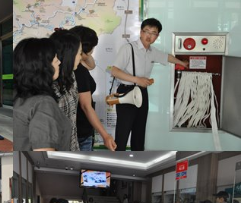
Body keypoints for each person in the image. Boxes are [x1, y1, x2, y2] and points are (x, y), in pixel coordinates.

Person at [111, 18, 189, 151]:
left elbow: (167, 57)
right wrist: (137, 79)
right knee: (122, 134)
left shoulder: (152, 51)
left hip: (142, 92)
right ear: (141, 32)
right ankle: (117, 160)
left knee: (139, 133)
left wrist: (182, 63)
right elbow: (114, 71)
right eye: (146, 31)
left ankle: (136, 161)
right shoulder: (128, 48)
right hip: (126, 92)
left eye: (153, 33)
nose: (149, 35)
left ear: (157, 36)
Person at [13, 38, 72, 151]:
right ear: (42, 67)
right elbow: (44, 153)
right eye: (55, 60)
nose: (59, 62)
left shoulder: (18, 96)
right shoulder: (43, 103)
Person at [69, 25, 116, 151]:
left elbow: (91, 65)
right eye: (92, 47)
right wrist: (105, 136)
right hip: (81, 131)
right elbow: (86, 106)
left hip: (73, 129)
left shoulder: (69, 64)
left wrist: (82, 51)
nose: (93, 51)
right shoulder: (79, 71)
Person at [49, 29, 82, 151]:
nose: (81, 57)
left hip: (73, 146)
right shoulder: (49, 87)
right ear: (69, 54)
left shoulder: (71, 76)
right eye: (79, 53)